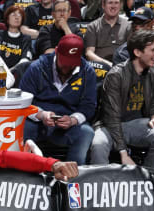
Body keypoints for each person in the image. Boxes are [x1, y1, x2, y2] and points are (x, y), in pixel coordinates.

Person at [90, 30, 154, 167]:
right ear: (137, 52)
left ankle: (149, 177)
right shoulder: (116, 75)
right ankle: (100, 184)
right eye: (153, 50)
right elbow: (111, 117)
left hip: (136, 123)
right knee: (98, 145)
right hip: (110, 125)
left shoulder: (153, 71)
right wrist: (123, 153)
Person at [20, 34, 97, 165]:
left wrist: (73, 120)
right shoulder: (37, 68)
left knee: (86, 132)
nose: (67, 67)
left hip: (68, 122)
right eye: (64, 62)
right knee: (20, 128)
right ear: (56, 51)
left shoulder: (87, 72)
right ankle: (23, 174)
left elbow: (89, 106)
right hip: (37, 120)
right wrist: (41, 114)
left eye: (72, 64)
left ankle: (73, 177)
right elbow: (23, 102)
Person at [84, 0, 132, 67]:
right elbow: (89, 53)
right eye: (110, 3)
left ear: (120, 5)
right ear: (103, 5)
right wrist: (109, 65)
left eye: (116, 3)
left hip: (122, 69)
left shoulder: (128, 26)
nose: (113, 6)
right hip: (100, 68)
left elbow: (132, 52)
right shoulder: (93, 26)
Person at [0, 5, 33, 69]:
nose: (17, 17)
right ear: (7, 19)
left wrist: (10, 71)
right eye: (14, 15)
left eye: (20, 15)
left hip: (16, 73)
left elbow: (25, 60)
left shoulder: (26, 39)